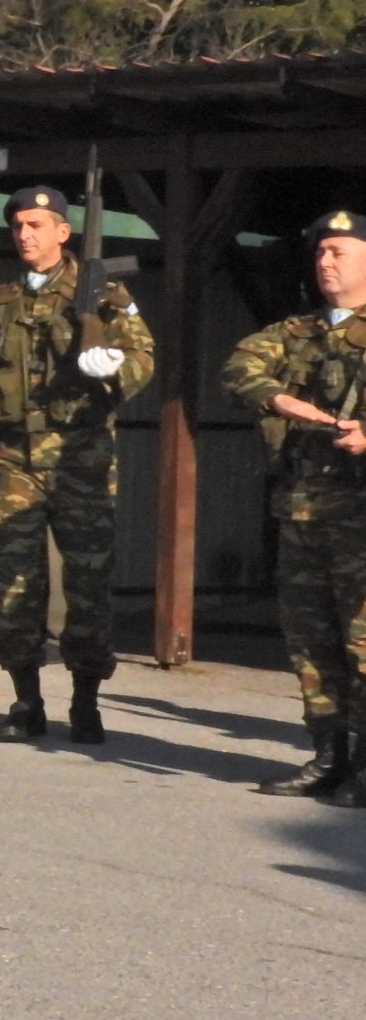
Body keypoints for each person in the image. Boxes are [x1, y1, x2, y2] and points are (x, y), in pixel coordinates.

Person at [0, 185, 156, 744]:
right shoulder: (0, 300)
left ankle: (86, 701)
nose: (25, 235)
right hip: (15, 456)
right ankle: (26, 702)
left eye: (37, 225)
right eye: (18, 226)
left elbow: (143, 358)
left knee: (87, 584)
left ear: (63, 232)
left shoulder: (104, 293)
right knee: (14, 582)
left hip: (80, 457)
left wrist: (115, 363)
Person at [222, 208, 366, 804]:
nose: (325, 263)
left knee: (362, 643)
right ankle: (327, 756)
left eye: (339, 252)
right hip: (303, 510)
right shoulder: (297, 331)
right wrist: (285, 401)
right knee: (310, 641)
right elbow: (239, 367)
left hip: (359, 514)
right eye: (321, 253)